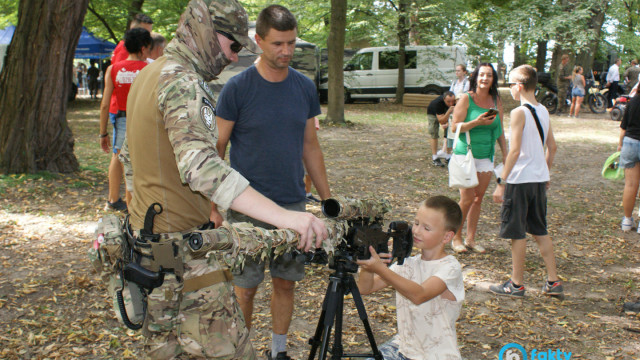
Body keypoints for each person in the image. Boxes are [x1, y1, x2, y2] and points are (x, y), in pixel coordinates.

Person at [121, 1, 328, 358]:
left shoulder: (150, 74)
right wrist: (287, 217)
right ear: (205, 32)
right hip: (184, 255)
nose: (233, 58)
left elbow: (127, 158)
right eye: (232, 46)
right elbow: (202, 165)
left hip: (149, 249)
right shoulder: (183, 81)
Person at [214, 5, 331, 359]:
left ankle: (278, 352)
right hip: (244, 206)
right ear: (258, 40)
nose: (286, 51)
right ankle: (242, 352)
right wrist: (214, 207)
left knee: (285, 284)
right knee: (245, 289)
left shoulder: (304, 87)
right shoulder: (236, 88)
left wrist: (327, 199)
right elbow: (216, 149)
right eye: (278, 43)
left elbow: (310, 145)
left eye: (291, 43)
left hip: (292, 204)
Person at [357, 196, 465, 360]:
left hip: (436, 355)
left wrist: (380, 268)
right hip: (403, 348)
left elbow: (419, 295)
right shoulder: (407, 263)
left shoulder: (450, 267)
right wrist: (368, 262)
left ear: (447, 237)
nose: (416, 231)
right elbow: (365, 288)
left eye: (426, 228)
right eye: (416, 223)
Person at [490, 65, 562, 299]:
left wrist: (502, 181)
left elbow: (514, 152)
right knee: (540, 230)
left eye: (510, 84)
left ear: (519, 86)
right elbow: (552, 147)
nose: (509, 89)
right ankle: (553, 281)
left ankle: (516, 284)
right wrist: (545, 173)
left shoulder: (519, 113)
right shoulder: (543, 111)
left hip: (520, 181)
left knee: (517, 232)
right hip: (538, 181)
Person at [450, 63, 507, 254]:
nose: (485, 79)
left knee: (477, 199)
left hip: (486, 156)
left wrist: (506, 155)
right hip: (465, 154)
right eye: (482, 75)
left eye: (489, 75)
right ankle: (455, 237)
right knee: (466, 199)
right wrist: (477, 122)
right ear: (476, 77)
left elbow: (500, 130)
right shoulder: (466, 98)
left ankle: (471, 239)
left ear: (493, 79)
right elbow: (454, 127)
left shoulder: (496, 101)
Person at [99, 28, 152, 211]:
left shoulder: (112, 69)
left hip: (121, 119)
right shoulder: (149, 69)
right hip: (144, 120)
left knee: (120, 158)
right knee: (141, 162)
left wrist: (103, 132)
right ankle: (136, 206)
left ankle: (115, 199)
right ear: (144, 48)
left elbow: (105, 104)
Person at [426, 91, 456, 167]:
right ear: (444, 99)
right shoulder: (437, 104)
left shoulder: (455, 103)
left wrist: (448, 123)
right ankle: (435, 157)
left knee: (449, 133)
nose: (451, 104)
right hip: (432, 113)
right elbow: (441, 120)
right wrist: (448, 112)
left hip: (445, 113)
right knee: (434, 133)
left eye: (453, 101)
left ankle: (448, 156)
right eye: (448, 101)